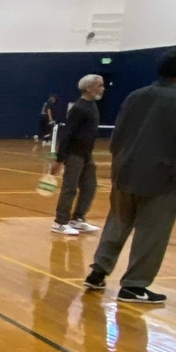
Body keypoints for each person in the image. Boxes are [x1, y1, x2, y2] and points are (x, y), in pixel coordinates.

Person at [84, 47, 176, 303]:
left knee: (117, 224)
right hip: (159, 180)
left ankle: (98, 272)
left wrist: (120, 166)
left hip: (125, 173)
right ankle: (134, 286)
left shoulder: (136, 96)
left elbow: (117, 137)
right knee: (152, 235)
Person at [49, 75, 105, 236]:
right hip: (74, 154)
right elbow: (67, 134)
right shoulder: (79, 108)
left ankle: (77, 218)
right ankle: (60, 222)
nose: (103, 88)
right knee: (70, 188)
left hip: (87, 154)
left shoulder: (92, 106)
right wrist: (59, 159)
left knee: (90, 186)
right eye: (99, 85)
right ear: (88, 88)